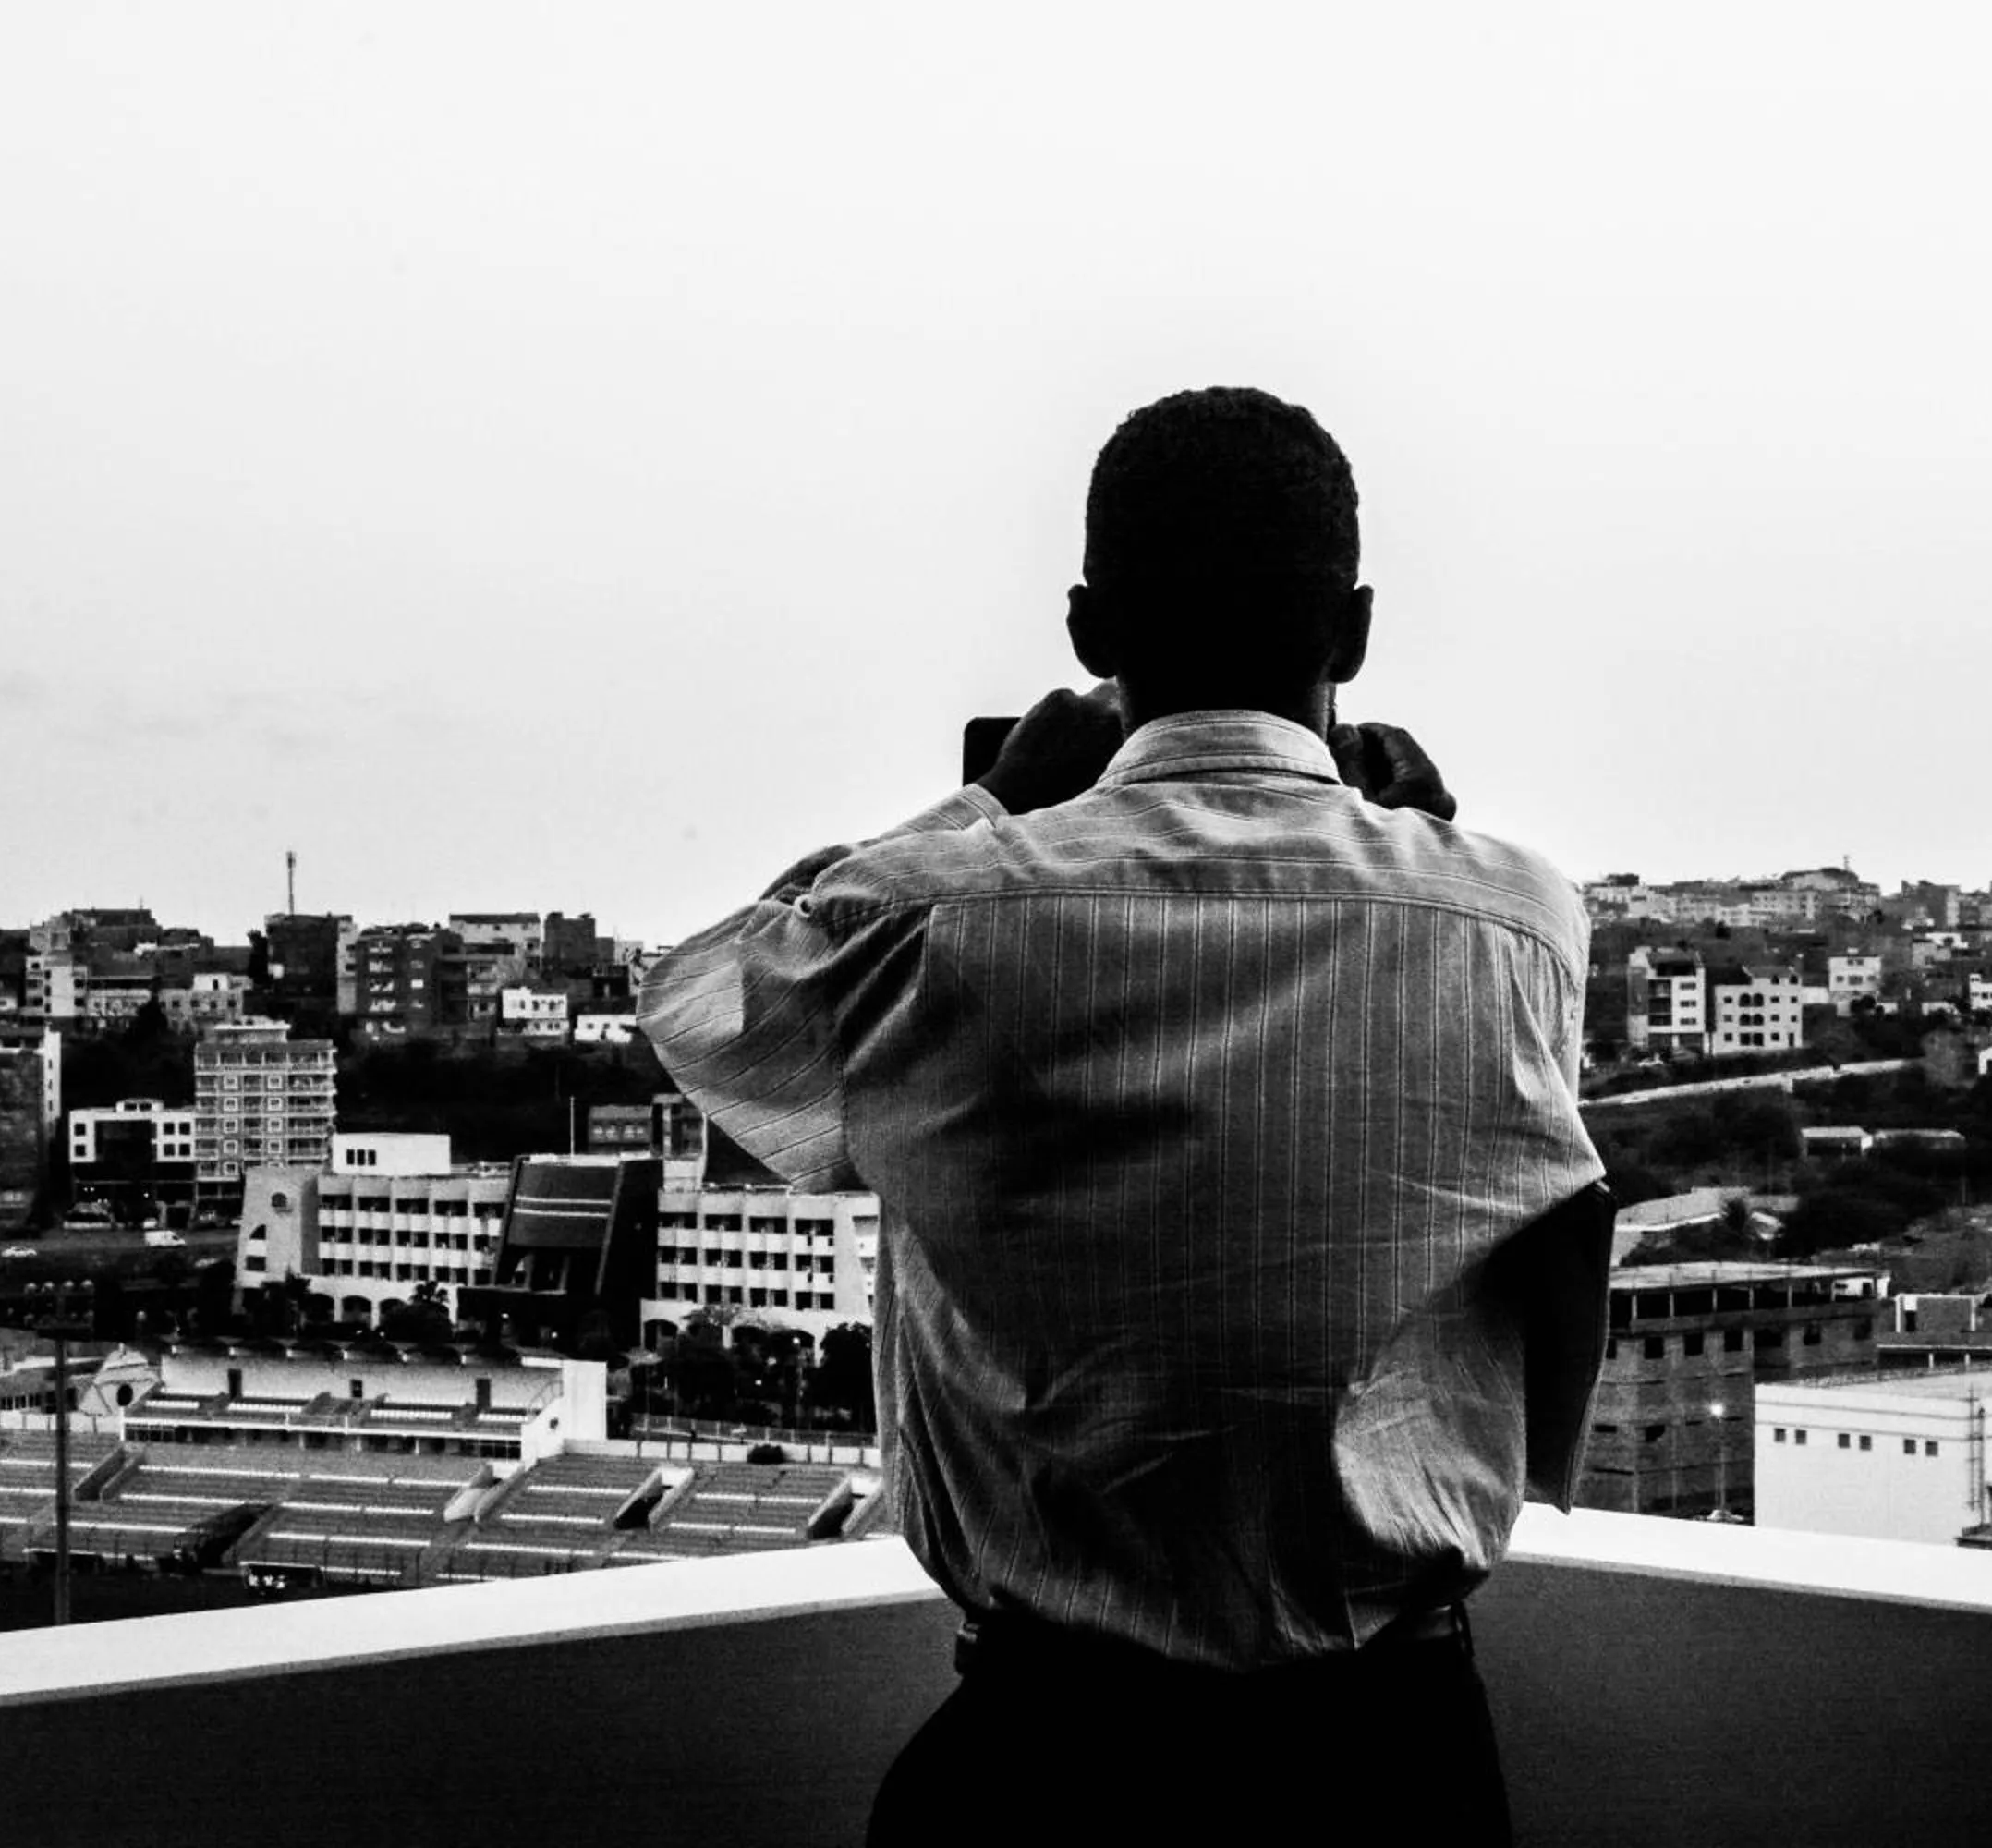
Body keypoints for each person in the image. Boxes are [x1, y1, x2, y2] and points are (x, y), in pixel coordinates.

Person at [640, 385, 1607, 1846]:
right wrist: (1434, 829)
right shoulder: (1523, 920)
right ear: (1349, 635)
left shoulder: (933, 917)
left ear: (1090, 633)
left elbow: (707, 1011)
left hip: (1047, 1757)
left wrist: (985, 808)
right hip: (1387, 1769)